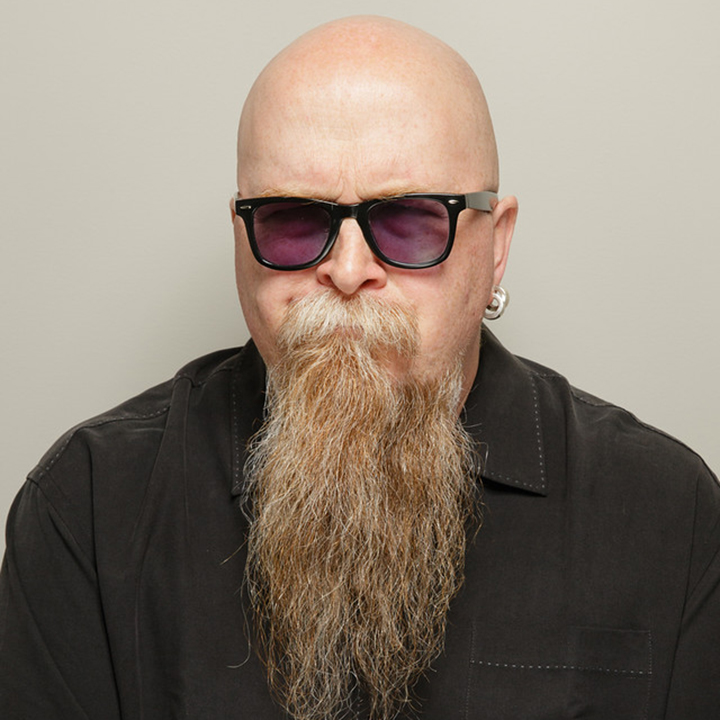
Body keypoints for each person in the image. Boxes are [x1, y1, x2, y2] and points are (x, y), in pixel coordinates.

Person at [1, 15, 718, 720]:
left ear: (496, 246)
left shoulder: (669, 513)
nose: (347, 271)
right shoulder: (88, 505)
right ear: (242, 238)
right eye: (291, 221)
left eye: (410, 222)